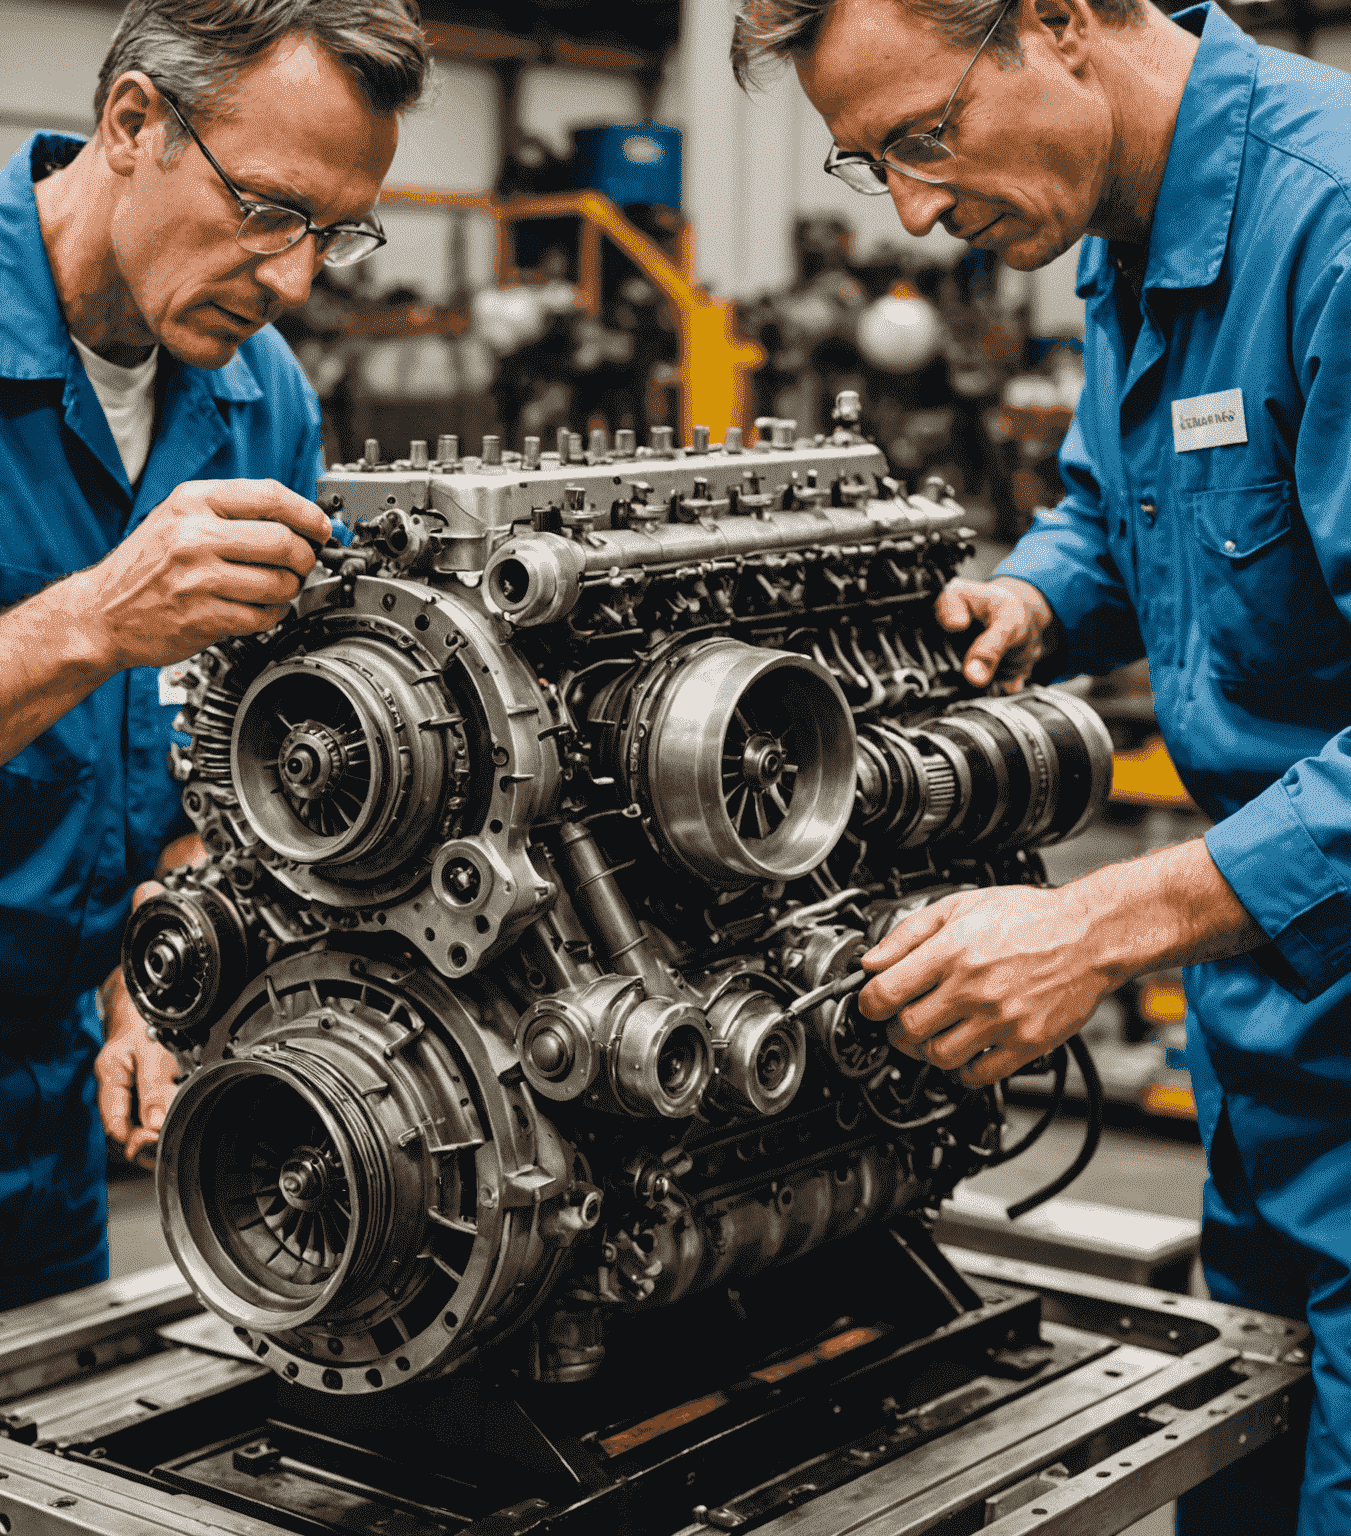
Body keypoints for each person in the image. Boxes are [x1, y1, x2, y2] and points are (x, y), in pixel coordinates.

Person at [734, 0, 1351, 1528]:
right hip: (1272, 1041)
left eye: (925, 139)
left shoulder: (1331, 232)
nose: (919, 210)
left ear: (1063, 19)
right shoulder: (1121, 229)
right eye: (869, 163)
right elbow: (1122, 502)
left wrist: (1098, 924)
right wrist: (1034, 596)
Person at [0, 1, 425, 1530]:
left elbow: (245, 761)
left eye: (336, 236)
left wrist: (147, 987)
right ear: (136, 124)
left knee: (25, 1488)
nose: (290, 278)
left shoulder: (257, 398)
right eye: (270, 211)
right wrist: (95, 617)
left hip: (63, 1109)